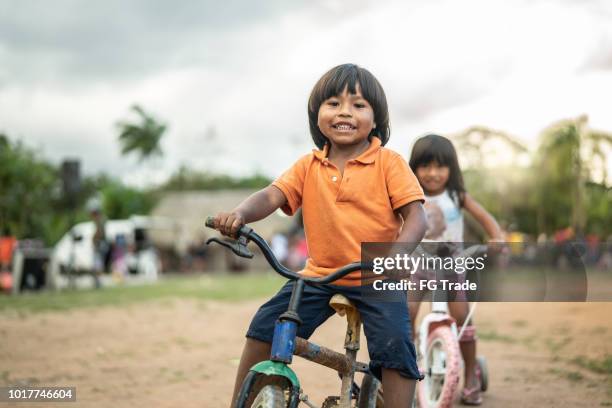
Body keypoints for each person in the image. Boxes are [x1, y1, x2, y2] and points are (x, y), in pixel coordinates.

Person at [212, 63, 428, 408]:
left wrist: (396, 255)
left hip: (377, 276)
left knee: (395, 346)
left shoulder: (389, 163)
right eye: (333, 103)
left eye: (358, 105)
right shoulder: (308, 165)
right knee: (266, 326)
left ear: (376, 119)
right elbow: (271, 195)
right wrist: (239, 213)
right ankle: (242, 402)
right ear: (317, 115)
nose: (345, 112)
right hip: (320, 275)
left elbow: (417, 216)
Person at [408, 134, 504, 405]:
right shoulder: (410, 195)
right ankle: (405, 364)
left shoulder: (457, 195)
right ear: (413, 167)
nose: (433, 173)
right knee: (407, 312)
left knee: (462, 317)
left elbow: (485, 218)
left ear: (452, 169)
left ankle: (471, 375)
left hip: (452, 267)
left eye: (440, 166)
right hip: (418, 265)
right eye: (425, 166)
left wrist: (496, 236)